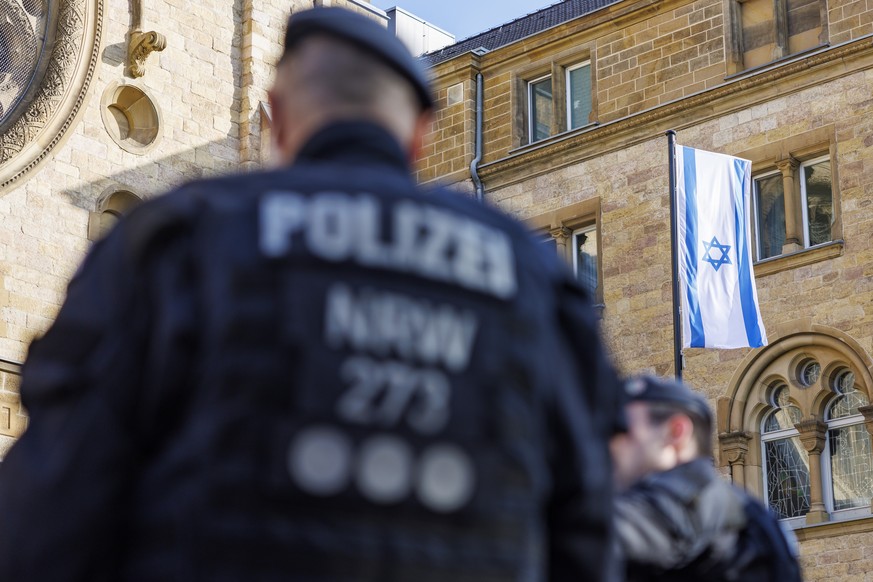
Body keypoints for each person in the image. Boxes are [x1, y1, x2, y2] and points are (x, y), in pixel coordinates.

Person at [0, 7, 624, 581]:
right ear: (419, 137)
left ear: (279, 116)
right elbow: (584, 524)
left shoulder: (178, 239)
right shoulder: (533, 274)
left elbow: (54, 502)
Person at [610, 375, 802, 582]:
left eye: (620, 430)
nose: (609, 444)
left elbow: (604, 533)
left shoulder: (697, 498)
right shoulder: (749, 512)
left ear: (676, 432)